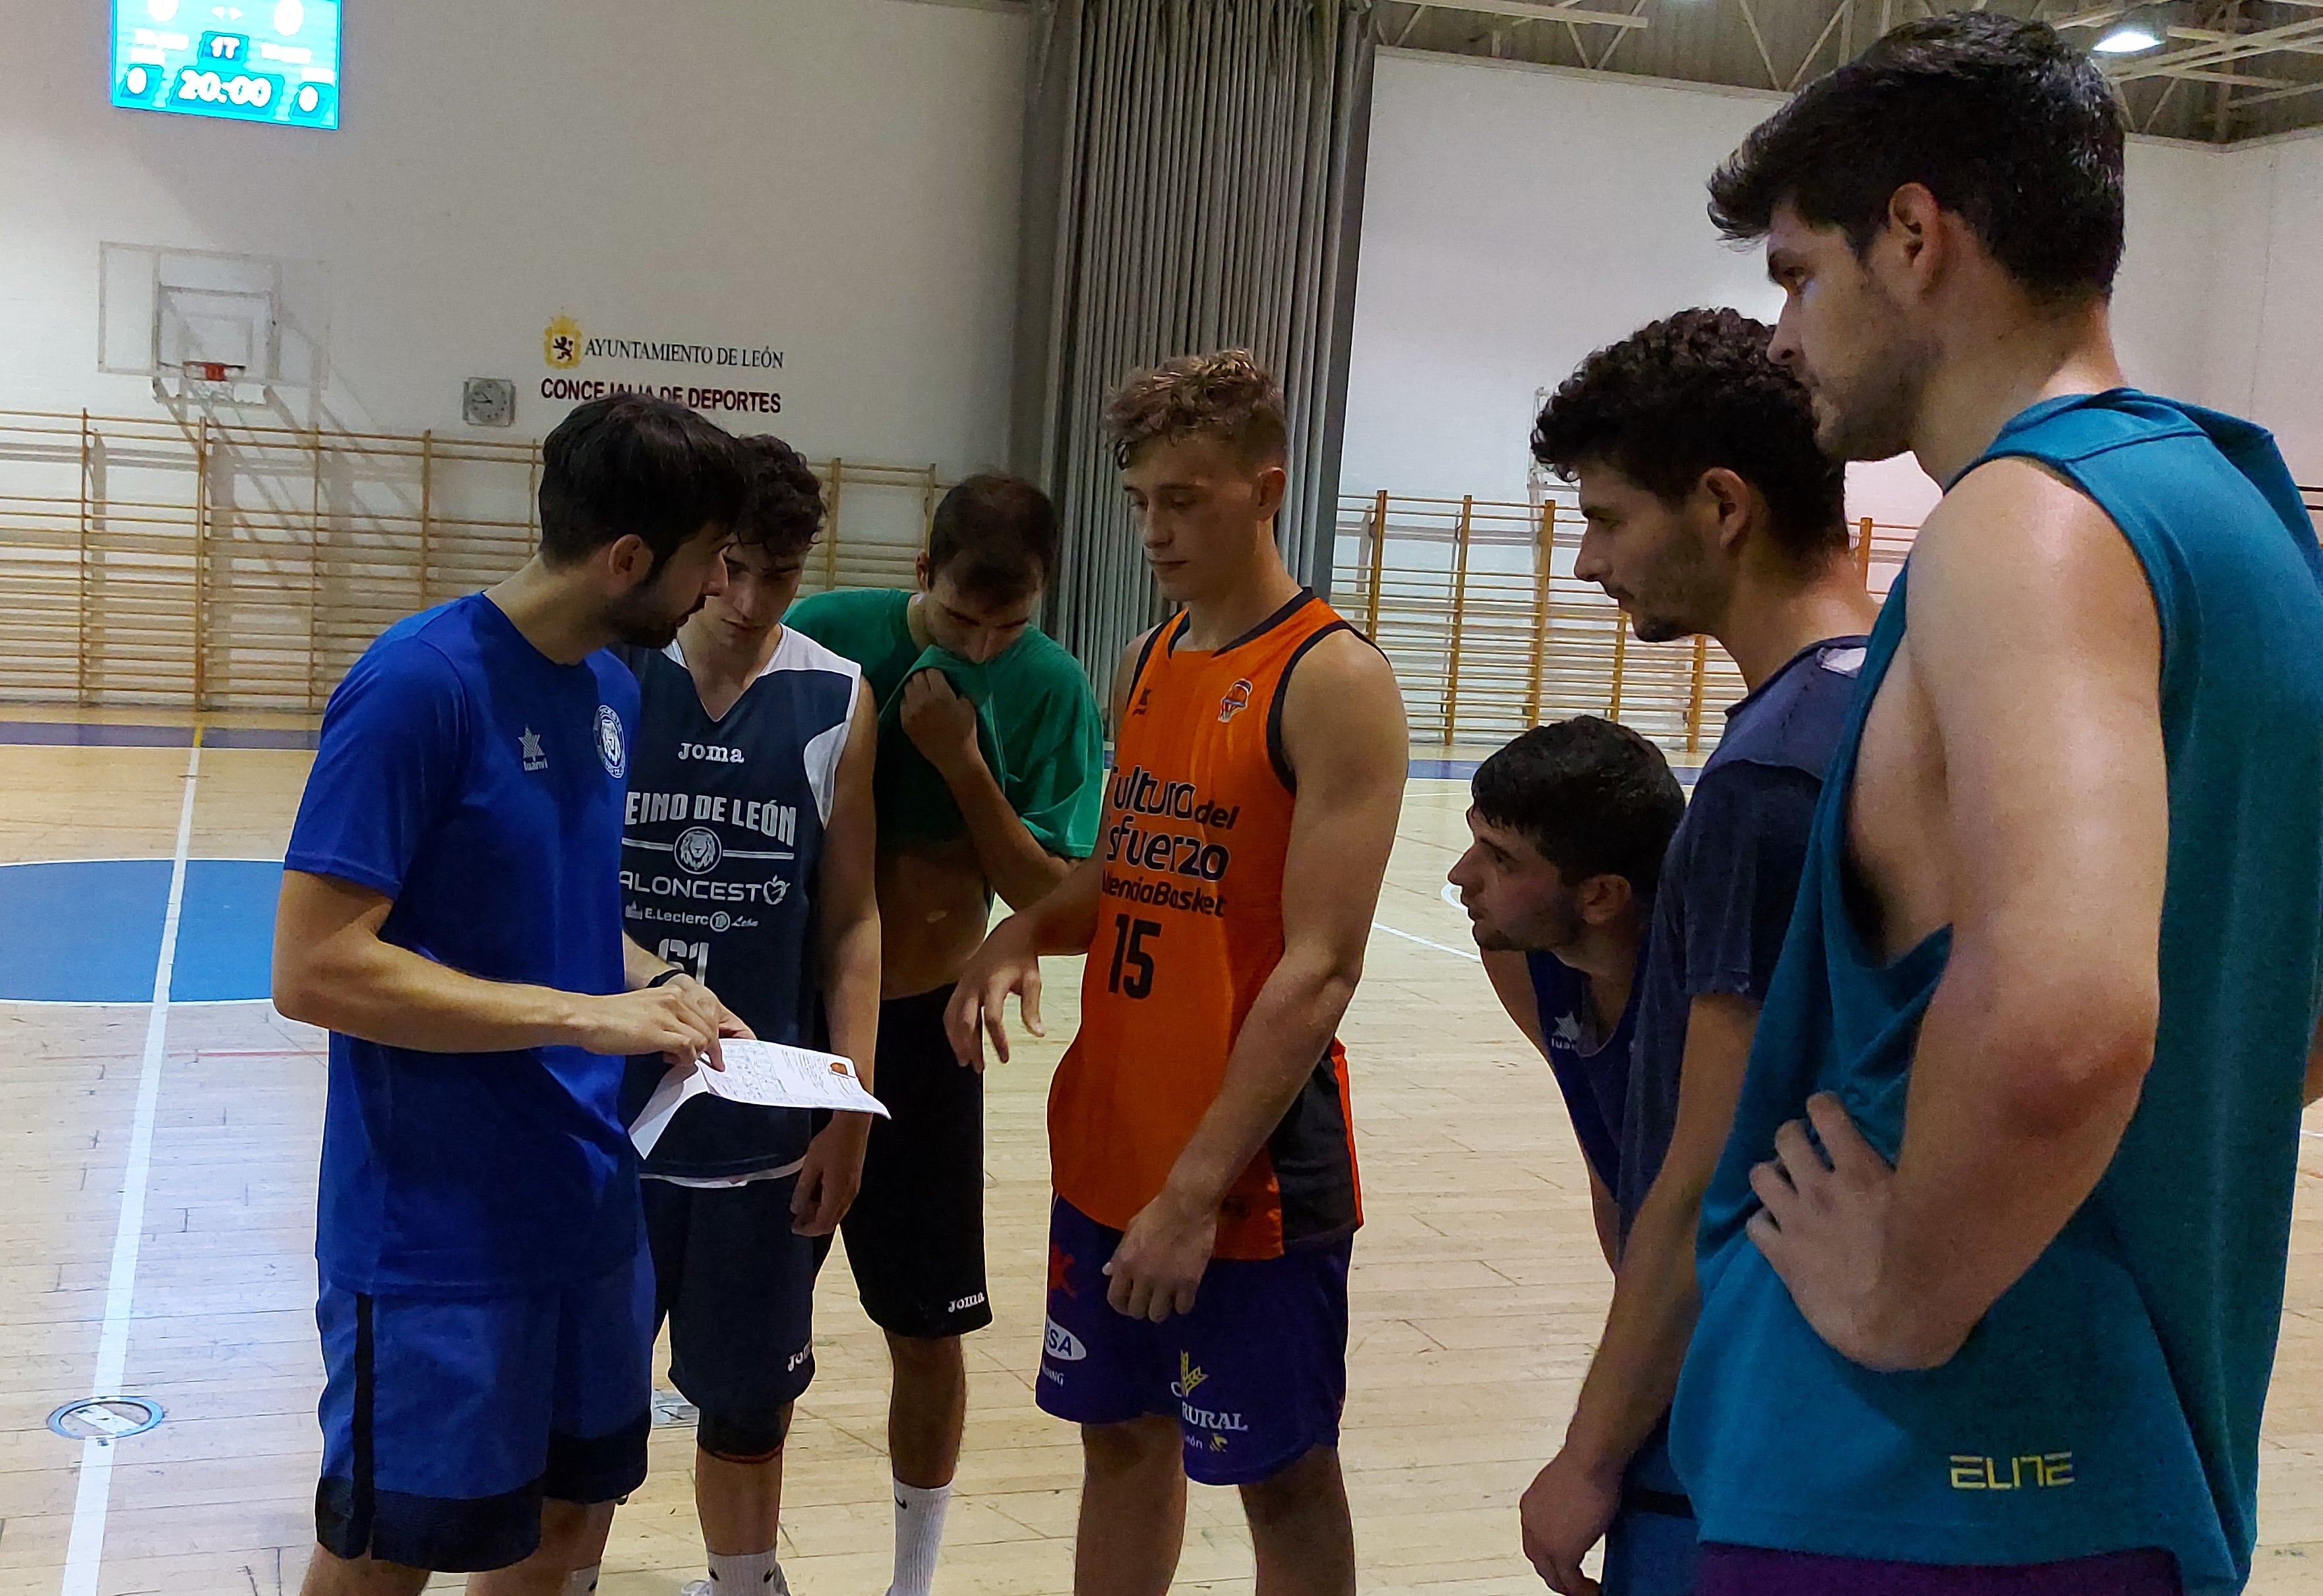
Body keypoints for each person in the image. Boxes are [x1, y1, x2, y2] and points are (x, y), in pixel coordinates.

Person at [1670, 16, 2323, 1596]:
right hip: (2122, 1461)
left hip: (1922, 1475)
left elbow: (2067, 1014)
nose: (1778, 337)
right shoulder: (2243, 516)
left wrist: (1909, 1288)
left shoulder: (2021, 530)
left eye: (1795, 275)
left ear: (1912, 234)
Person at [947, 350, 1409, 1596]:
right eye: (1140, 498)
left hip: (1245, 1174)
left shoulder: (1334, 679)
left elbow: (1319, 969)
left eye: (1185, 498)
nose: (1153, 527)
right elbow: (1131, 870)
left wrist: (1193, 1194)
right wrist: (1017, 929)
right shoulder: (1149, 657)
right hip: (1111, 1142)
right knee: (1119, 1436)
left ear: (1264, 489)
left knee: (1279, 1472)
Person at [272, 393, 750, 1595]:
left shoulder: (611, 691)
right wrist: (587, 1014)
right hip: (436, 1236)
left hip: (587, 1213)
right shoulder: (416, 686)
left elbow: (572, 923)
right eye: (705, 564)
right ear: (628, 559)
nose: (714, 591)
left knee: (569, 1528)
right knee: (389, 1552)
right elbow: (316, 965)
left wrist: (662, 987)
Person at [1518, 308, 1879, 1596]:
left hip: (1751, 1429)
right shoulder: (1902, 697)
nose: (1585, 561)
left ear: (1722, 504)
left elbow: (1704, 1171)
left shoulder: (1774, 775)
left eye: (1607, 517)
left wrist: (1589, 1450)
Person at [783, 473, 1105, 1596]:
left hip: (926, 1036)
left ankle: (911, 1580)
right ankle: (744, 1566)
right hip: (790, 1027)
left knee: (925, 1327)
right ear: (921, 574)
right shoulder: (826, 634)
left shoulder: (1051, 688)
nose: (982, 640)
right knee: (760, 1320)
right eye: (964, 614)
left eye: (1009, 623)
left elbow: (1050, 897)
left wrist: (963, 764)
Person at [574, 434, 882, 1596]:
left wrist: (849, 1111)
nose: (752, 601)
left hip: (763, 1139)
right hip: (605, 1124)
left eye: (781, 574)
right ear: (699, 553)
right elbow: (547, 893)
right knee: (584, 1413)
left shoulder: (835, 696)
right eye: (734, 567)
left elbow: (853, 926)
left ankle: (743, 1584)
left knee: (747, 1408)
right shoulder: (608, 676)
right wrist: (643, 980)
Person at [1450, 717, 1685, 1272]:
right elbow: (1610, 1169)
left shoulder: (1696, 997)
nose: (1461, 873)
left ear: (1601, 896)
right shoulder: (1515, 956)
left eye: (1500, 858)